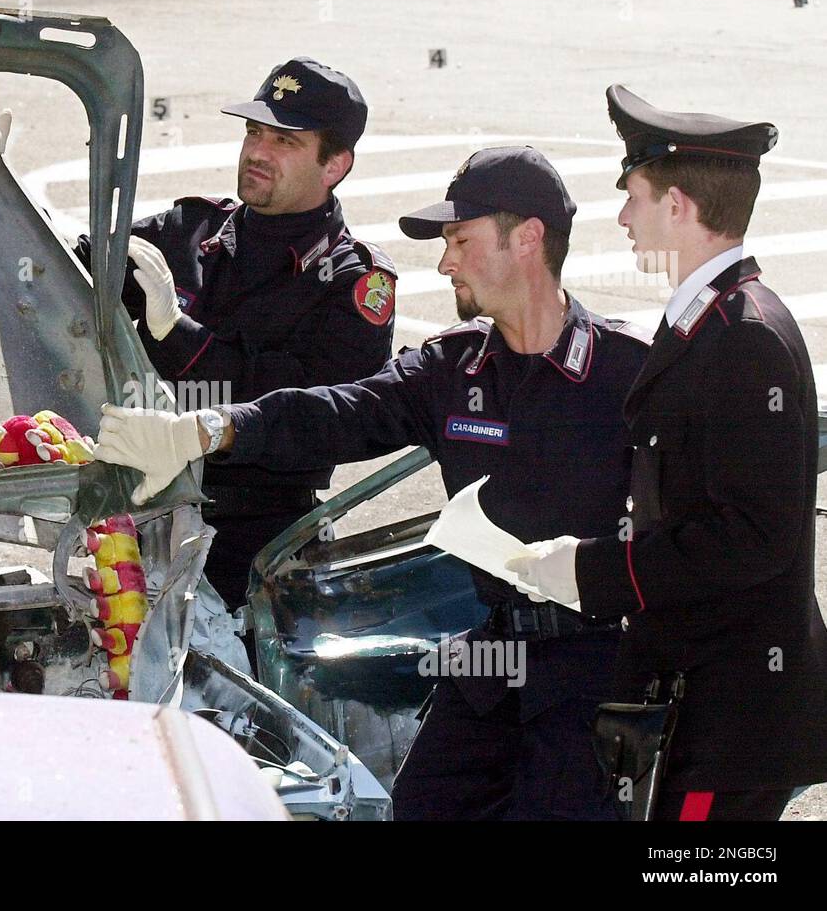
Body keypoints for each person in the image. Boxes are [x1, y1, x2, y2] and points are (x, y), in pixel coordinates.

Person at [95, 146, 652, 819]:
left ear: (528, 238)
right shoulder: (454, 368)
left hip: (592, 667)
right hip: (492, 658)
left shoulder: (630, 376)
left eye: (460, 239)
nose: (445, 261)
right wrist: (209, 429)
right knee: (418, 805)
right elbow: (337, 411)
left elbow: (702, 530)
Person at [511, 86, 827, 821]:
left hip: (735, 713)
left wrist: (593, 569)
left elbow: (753, 537)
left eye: (635, 196)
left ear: (679, 207)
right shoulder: (712, 318)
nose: (623, 217)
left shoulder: (743, 337)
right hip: (710, 692)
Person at [77, 57, 397, 616]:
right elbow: (67, 272)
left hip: (256, 544)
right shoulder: (189, 230)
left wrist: (177, 335)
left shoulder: (354, 283)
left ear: (335, 165)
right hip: (128, 517)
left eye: (285, 140)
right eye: (253, 131)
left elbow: (309, 411)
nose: (256, 151)